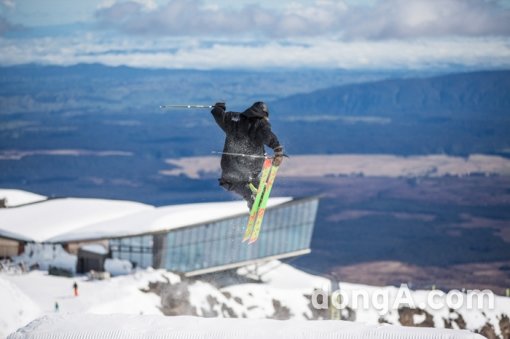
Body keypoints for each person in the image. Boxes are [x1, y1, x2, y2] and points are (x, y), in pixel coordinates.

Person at [211, 101, 284, 209]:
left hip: (230, 165)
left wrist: (219, 108)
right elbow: (268, 136)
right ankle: (253, 196)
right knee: (251, 181)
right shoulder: (260, 124)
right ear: (264, 115)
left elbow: (218, 114)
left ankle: (252, 199)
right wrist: (278, 151)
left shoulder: (233, 118)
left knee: (230, 181)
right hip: (251, 165)